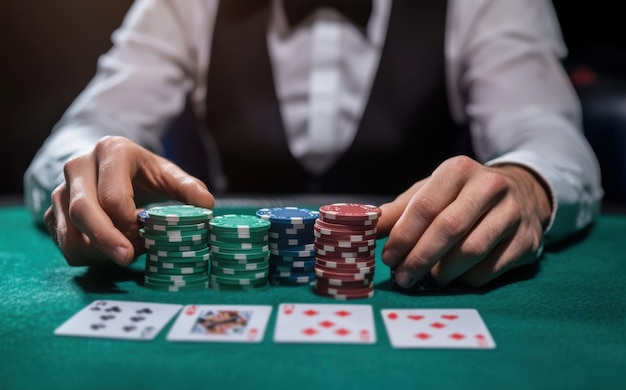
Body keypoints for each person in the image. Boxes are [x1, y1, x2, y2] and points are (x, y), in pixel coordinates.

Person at [24, 0, 603, 290]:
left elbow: (547, 135)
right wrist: (88, 172)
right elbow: (86, 128)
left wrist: (528, 184)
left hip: (405, 270)